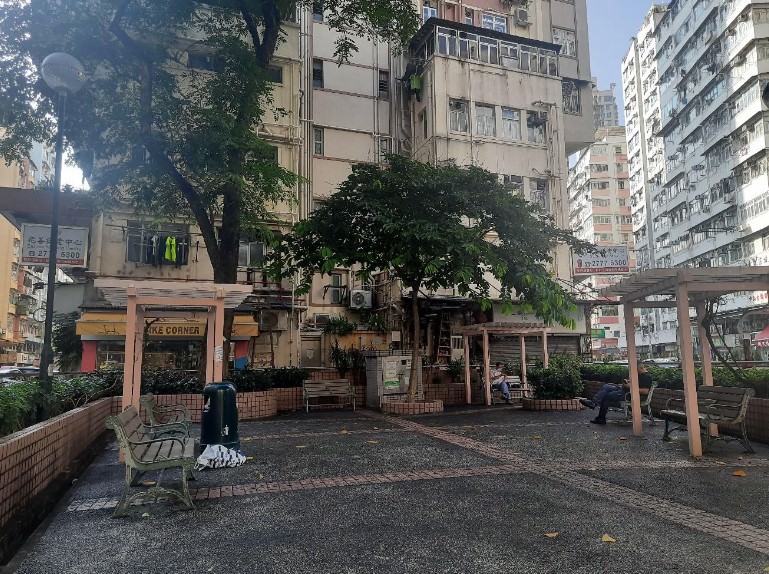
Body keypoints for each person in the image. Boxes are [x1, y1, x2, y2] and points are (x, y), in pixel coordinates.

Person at [580, 362, 652, 425]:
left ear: (641, 368)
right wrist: (627, 382)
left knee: (607, 396)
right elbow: (633, 384)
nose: (633, 371)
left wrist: (631, 386)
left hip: (630, 395)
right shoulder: (638, 375)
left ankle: (601, 418)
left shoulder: (646, 377)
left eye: (635, 369)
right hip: (624, 390)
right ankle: (593, 403)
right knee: (606, 387)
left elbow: (645, 391)